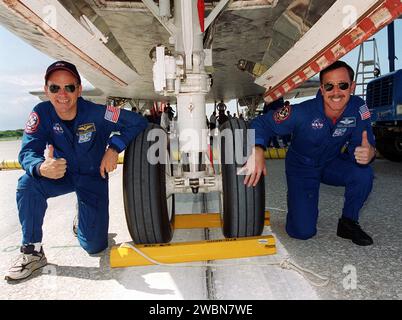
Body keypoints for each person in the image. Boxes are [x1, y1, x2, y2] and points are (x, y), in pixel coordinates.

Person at [5, 61, 148, 281]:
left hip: (93, 178)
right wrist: (41, 167)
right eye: (55, 88)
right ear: (46, 90)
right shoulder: (41, 114)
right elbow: (27, 151)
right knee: (28, 183)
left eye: (69, 87)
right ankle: (32, 252)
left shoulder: (98, 113)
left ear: (79, 90)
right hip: (61, 175)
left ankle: (82, 217)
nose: (62, 94)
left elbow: (137, 121)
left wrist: (114, 148)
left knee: (94, 246)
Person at [243, 60, 376, 246]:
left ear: (352, 87)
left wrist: (369, 153)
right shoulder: (302, 112)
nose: (336, 92)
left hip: (331, 163)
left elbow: (364, 144)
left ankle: (348, 222)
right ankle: (298, 203)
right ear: (322, 89)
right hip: (302, 169)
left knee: (363, 173)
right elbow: (260, 124)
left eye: (342, 85)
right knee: (303, 232)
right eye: (329, 86)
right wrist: (257, 148)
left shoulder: (358, 108)